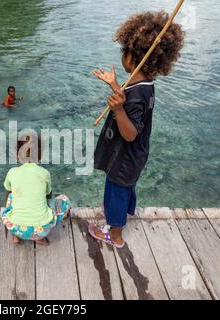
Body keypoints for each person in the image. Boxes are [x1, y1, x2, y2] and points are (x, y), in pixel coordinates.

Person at [89, 11, 184, 248]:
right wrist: (113, 84)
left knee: (116, 190)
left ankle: (115, 234)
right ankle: (122, 217)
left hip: (125, 156)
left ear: (135, 57)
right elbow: (129, 100)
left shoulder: (137, 93)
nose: (122, 55)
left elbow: (130, 133)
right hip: (133, 156)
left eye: (124, 51)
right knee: (124, 186)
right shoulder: (143, 84)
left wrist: (119, 110)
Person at [1, 134, 71, 246]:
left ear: (17, 155)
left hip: (15, 227)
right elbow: (48, 196)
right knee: (64, 200)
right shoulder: (44, 173)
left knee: (10, 195)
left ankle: (16, 236)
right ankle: (39, 238)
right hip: (42, 229)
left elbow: (8, 191)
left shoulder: (12, 172)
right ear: (40, 154)